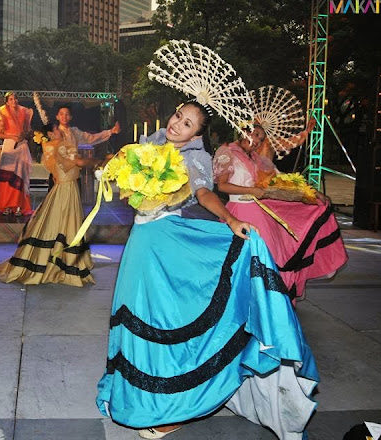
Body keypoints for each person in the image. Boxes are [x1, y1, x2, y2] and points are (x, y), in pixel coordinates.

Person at [96, 101, 319, 439]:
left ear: (197, 134)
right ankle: (135, 398)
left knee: (165, 320)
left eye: (187, 124)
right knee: (133, 309)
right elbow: (128, 183)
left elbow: (203, 193)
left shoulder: (197, 158)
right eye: (177, 116)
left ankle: (176, 408)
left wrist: (230, 219)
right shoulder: (150, 142)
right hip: (141, 240)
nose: (177, 124)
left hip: (169, 240)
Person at [213, 124, 348, 300]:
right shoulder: (227, 151)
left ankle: (271, 303)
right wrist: (253, 191)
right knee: (246, 260)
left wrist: (312, 192)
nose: (258, 141)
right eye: (256, 135)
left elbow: (280, 179)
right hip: (238, 212)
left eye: (261, 139)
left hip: (259, 211)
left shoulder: (256, 158)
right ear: (244, 131)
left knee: (274, 255)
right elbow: (222, 186)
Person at [0, 120, 103, 287]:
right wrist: (98, 161)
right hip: (67, 189)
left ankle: (53, 258)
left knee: (55, 223)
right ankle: (65, 263)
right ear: (50, 134)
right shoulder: (62, 145)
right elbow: (79, 162)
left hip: (60, 187)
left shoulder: (47, 147)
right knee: (67, 224)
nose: (61, 132)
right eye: (57, 130)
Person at [47, 104, 121, 191]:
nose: (64, 117)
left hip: (73, 172)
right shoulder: (54, 133)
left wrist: (111, 131)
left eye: (67, 114)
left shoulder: (74, 132)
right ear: (57, 117)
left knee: (74, 200)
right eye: (61, 114)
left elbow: (91, 138)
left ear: (70, 117)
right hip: (58, 173)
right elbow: (51, 155)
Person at [0, 92, 33, 216]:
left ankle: (18, 206)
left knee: (20, 175)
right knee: (7, 176)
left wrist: (24, 136)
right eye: (11, 99)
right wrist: (12, 136)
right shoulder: (2, 111)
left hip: (21, 146)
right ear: (7, 101)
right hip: (10, 145)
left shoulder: (24, 111)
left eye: (15, 98)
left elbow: (28, 131)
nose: (14, 101)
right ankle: (6, 205)